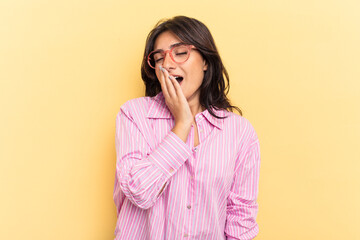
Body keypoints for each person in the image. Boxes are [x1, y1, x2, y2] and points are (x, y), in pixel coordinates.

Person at [113, 16, 260, 240]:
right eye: (159, 57)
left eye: (180, 52)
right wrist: (182, 124)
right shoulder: (134, 115)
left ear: (206, 61)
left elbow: (240, 218)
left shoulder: (239, 133)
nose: (168, 65)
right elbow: (139, 191)